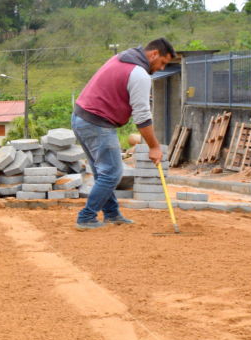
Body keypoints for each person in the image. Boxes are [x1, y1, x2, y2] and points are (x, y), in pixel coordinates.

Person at [70, 38, 176, 230]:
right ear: (153, 54)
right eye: (162, 63)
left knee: (103, 172)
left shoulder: (122, 58)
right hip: (97, 122)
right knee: (112, 173)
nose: (161, 68)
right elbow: (142, 115)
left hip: (81, 117)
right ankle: (86, 217)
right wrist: (154, 146)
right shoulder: (139, 74)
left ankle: (111, 213)